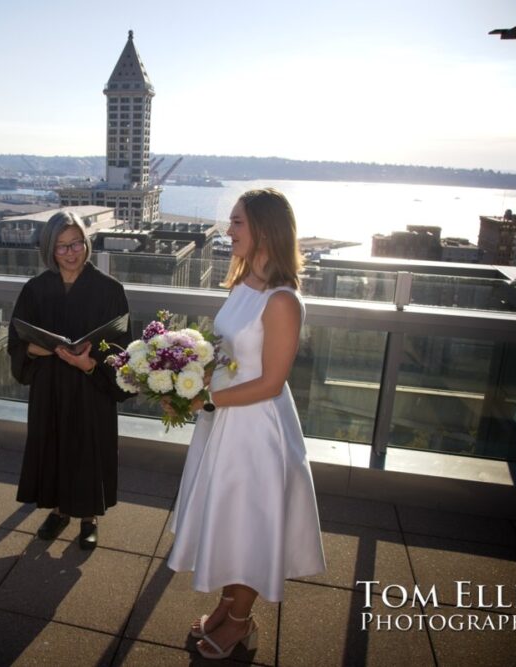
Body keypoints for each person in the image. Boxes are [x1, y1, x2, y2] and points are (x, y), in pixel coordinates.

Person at [166, 188, 326, 660]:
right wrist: (189, 383)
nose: (228, 230)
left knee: (250, 524)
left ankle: (240, 620)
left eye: (237, 222)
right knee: (231, 521)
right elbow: (224, 355)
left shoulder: (282, 302)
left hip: (257, 431)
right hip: (226, 422)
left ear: (264, 229)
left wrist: (206, 399)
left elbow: (272, 383)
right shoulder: (241, 285)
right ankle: (228, 606)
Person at [7, 211, 132, 550]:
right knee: (55, 450)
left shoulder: (110, 290)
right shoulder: (35, 290)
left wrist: (89, 362)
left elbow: (122, 350)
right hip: (51, 388)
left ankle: (89, 518)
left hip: (92, 388)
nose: (70, 252)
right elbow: (18, 344)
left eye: (76, 243)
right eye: (61, 246)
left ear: (86, 243)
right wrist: (47, 349)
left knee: (88, 452)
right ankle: (60, 511)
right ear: (49, 249)